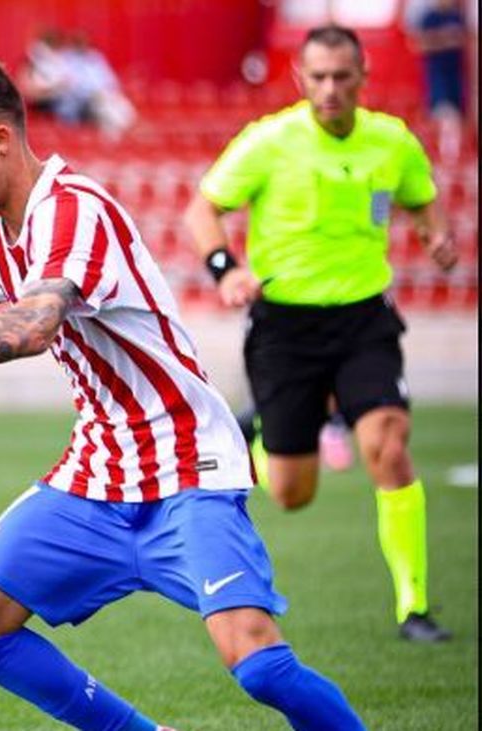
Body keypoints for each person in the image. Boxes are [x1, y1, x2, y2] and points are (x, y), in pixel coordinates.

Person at [0, 57, 365, 731]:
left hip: (187, 468)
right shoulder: (0, 222)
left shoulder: (76, 212)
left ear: (1, 139)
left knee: (260, 664)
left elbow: (34, 324)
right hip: (98, 474)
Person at [183, 25, 458, 643]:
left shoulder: (393, 142)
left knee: (388, 444)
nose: (330, 88)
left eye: (342, 76)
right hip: (284, 328)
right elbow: (203, 209)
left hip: (365, 319)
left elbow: (422, 201)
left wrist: (435, 235)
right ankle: (259, 434)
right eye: (319, 77)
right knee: (291, 492)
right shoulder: (269, 141)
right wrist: (225, 270)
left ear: (362, 75)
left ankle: (412, 606)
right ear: (300, 79)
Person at [411, 0, 468, 162]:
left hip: (456, 77)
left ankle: (453, 156)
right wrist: (444, 38)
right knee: (443, 115)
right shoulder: (429, 17)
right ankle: (442, 157)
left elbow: (463, 39)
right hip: (437, 76)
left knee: (456, 118)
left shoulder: (457, 16)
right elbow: (419, 44)